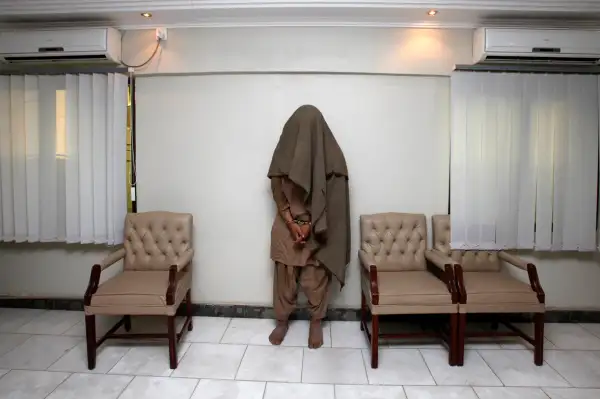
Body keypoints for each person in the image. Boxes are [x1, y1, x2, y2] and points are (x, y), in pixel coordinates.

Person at [267, 105, 350, 349]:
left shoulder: (333, 158)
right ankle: (282, 320)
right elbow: (277, 193)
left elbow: (335, 204)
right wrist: (292, 224)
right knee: (285, 276)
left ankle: (316, 322)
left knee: (316, 277)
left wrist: (312, 226)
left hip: (320, 226)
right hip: (287, 223)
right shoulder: (284, 153)